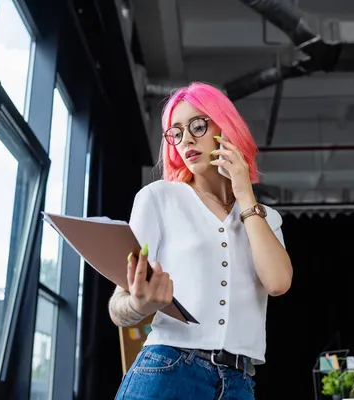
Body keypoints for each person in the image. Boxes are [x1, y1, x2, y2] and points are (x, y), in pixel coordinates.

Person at [109, 82, 293, 399]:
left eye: (198, 125)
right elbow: (118, 306)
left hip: (239, 382)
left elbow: (277, 283)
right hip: (168, 370)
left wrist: (245, 194)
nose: (187, 140)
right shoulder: (158, 198)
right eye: (176, 133)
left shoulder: (266, 218)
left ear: (227, 128)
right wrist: (140, 304)